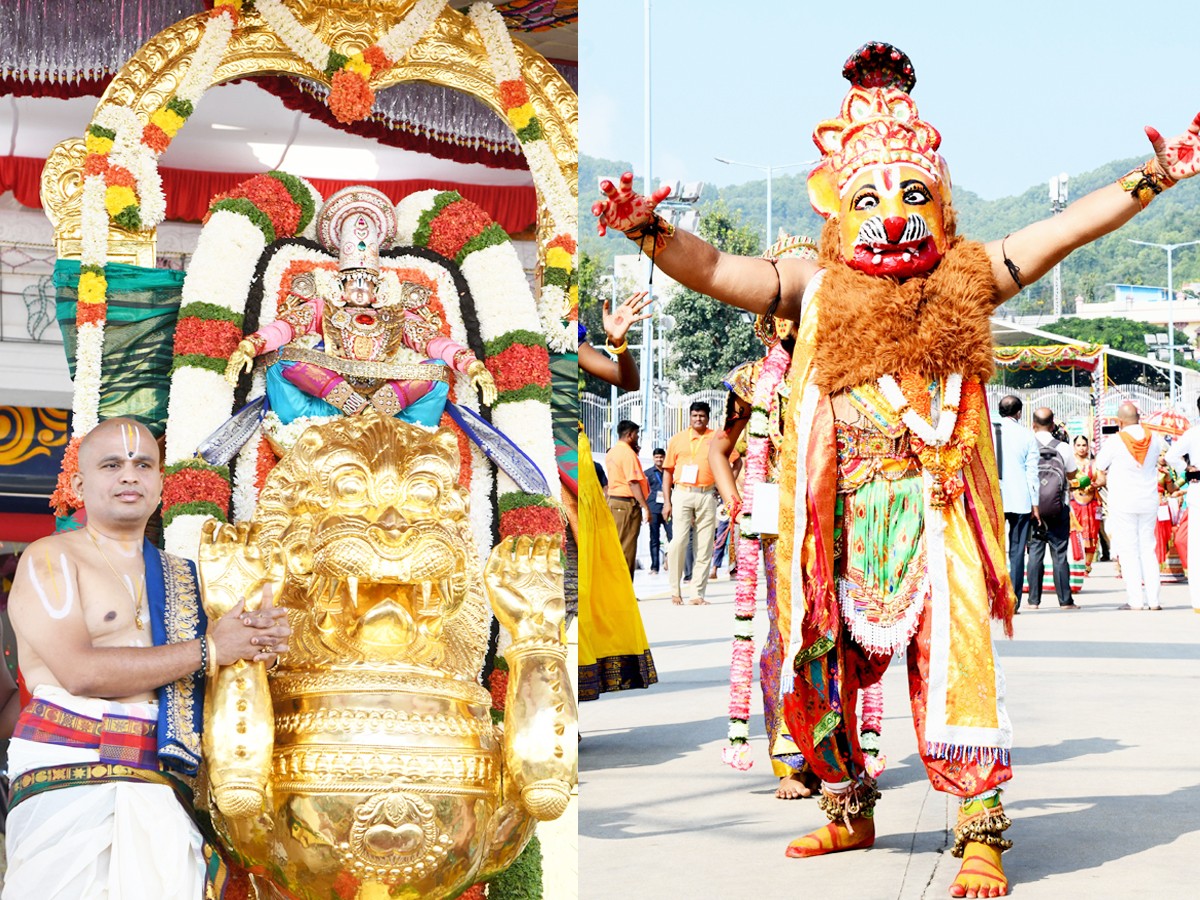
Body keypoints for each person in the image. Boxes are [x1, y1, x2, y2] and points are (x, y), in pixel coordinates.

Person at [594, 38, 1200, 896]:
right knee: (815, 665)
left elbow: (1066, 226)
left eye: (914, 194)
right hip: (838, 522)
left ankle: (981, 829)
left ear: (943, 207)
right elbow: (719, 269)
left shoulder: (971, 273)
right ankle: (848, 806)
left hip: (942, 510)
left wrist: (1156, 178)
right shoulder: (813, 284)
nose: (893, 214)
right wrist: (649, 231)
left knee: (957, 666)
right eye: (869, 197)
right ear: (838, 215)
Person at [3, 417, 291, 899]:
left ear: (160, 482)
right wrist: (212, 648)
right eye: (112, 464)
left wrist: (262, 644)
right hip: (69, 771)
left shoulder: (183, 578)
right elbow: (80, 672)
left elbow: (209, 677)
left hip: (161, 779)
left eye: (143, 465)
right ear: (79, 484)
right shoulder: (50, 559)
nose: (129, 475)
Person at [577, 293, 658, 700]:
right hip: (520, 448)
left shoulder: (568, 339)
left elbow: (628, 381)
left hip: (567, 465)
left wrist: (619, 343)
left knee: (578, 583)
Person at [1094, 402, 1166, 611]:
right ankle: (1154, 600)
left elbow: (1099, 465)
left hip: (1123, 501)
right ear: (1139, 417)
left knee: (1129, 550)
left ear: (1120, 421)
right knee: (1148, 549)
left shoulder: (1115, 441)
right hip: (1149, 500)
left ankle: (1136, 600)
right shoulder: (1154, 439)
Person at [663, 401, 718, 606]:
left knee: (704, 545)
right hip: (682, 493)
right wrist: (667, 502)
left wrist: (722, 486)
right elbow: (668, 471)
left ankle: (697, 594)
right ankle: (675, 591)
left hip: (707, 493)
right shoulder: (678, 439)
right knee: (679, 541)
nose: (698, 419)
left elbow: (735, 461)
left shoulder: (717, 438)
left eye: (702, 416)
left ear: (708, 417)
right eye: (695, 415)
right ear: (690, 417)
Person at [1027, 408, 1079, 610]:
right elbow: (1072, 474)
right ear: (1052, 424)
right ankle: (1065, 601)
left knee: (1035, 553)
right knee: (1059, 553)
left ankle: (1033, 601)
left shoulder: (1028, 445)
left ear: (1033, 424)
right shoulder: (1064, 447)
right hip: (1059, 507)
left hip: (1033, 507)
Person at [995, 396, 1040, 610]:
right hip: (1020, 498)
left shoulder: (987, 433)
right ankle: (1013, 601)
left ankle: (993, 599)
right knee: (1017, 551)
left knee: (992, 548)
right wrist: (1035, 504)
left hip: (994, 497)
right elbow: (1032, 473)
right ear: (1019, 413)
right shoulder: (1027, 435)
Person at [1164, 398, 1200, 612]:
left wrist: (1187, 470)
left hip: (1198, 490)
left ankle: (1198, 601)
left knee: (1197, 548)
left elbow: (1170, 455)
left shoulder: (1193, 434)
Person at [605, 420, 651, 576]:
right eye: (637, 434)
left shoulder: (612, 451)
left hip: (615, 502)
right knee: (626, 549)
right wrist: (645, 506)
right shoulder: (627, 454)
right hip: (625, 505)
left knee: (617, 547)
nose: (638, 437)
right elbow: (633, 482)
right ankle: (625, 592)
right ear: (630, 434)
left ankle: (618, 591)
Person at [1070, 435, 1101, 572]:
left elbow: (1102, 479)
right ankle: (1076, 563)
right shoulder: (1070, 464)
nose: (1081, 448)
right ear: (1074, 447)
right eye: (1078, 445)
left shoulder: (1094, 464)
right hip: (1074, 502)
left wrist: (1094, 485)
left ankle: (1087, 566)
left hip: (1091, 503)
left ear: (1088, 447)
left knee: (1092, 533)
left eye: (1084, 445)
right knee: (1075, 533)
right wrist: (1077, 485)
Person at [644, 448, 672, 575]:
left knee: (672, 537)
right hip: (653, 508)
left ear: (664, 457)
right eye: (656, 457)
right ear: (653, 458)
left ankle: (671, 562)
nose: (659, 459)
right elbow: (644, 491)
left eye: (661, 457)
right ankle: (654, 567)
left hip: (668, 509)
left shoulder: (670, 472)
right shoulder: (648, 473)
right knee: (654, 538)